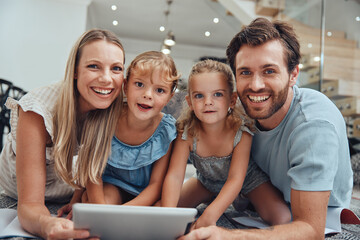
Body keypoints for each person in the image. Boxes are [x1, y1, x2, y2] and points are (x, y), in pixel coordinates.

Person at [179, 17, 353, 240]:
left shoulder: (313, 124)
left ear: (293, 75)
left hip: (311, 210)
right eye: (245, 72)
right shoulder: (241, 108)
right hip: (248, 192)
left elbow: (311, 228)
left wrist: (228, 236)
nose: (255, 85)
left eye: (269, 71)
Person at [0, 29, 125, 239]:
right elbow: (30, 204)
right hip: (18, 200)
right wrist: (48, 225)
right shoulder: (38, 109)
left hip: (69, 200)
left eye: (116, 69)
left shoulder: (116, 108)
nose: (106, 79)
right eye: (94, 66)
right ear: (75, 70)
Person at [161, 59, 290, 230]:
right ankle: (212, 199)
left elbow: (235, 180)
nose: (208, 102)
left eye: (218, 94)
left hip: (248, 181)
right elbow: (175, 176)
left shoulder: (241, 131)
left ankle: (231, 203)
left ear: (232, 99)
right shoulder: (186, 132)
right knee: (161, 208)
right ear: (190, 102)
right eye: (199, 95)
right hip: (206, 181)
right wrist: (168, 215)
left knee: (283, 218)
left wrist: (210, 215)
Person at [77, 51, 180, 206]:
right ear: (125, 86)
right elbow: (93, 172)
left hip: (145, 195)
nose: (147, 95)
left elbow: (156, 185)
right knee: (94, 201)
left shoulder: (166, 130)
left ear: (169, 97)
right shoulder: (107, 116)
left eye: (160, 90)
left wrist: (124, 212)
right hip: (111, 185)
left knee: (156, 212)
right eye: (139, 84)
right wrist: (101, 209)